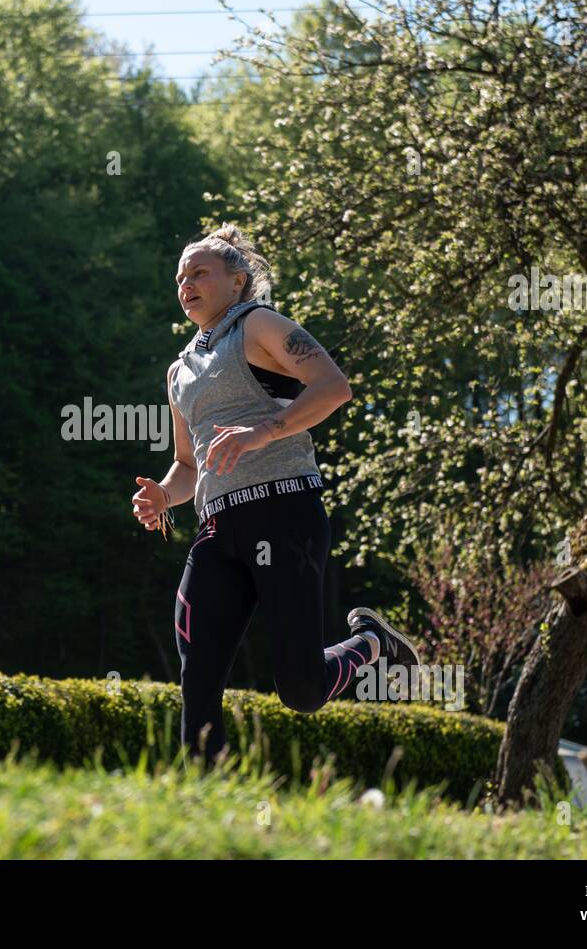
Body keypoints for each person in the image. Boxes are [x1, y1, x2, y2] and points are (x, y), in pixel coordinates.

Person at [131, 223, 421, 764]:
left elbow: (335, 387)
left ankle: (372, 644)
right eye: (179, 277)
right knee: (199, 678)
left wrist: (263, 431)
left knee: (302, 690)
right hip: (216, 530)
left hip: (284, 512)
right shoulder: (178, 371)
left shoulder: (258, 324)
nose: (185, 284)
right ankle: (204, 804)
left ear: (238, 280)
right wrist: (163, 497)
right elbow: (189, 463)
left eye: (199, 273)